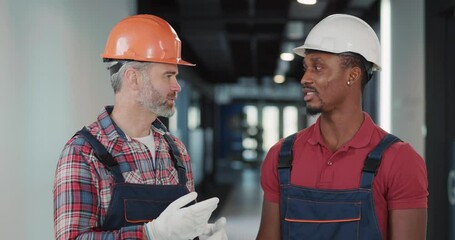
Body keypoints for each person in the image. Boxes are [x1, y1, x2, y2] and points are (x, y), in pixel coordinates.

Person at [53, 14, 227, 240]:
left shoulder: (176, 151)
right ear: (133, 79)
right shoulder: (83, 154)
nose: (177, 86)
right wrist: (149, 234)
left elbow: (182, 229)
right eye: (168, 75)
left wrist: (199, 236)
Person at [256, 14, 428, 240]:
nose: (305, 78)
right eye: (305, 67)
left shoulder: (399, 160)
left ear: (352, 75)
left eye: (317, 67)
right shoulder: (281, 156)